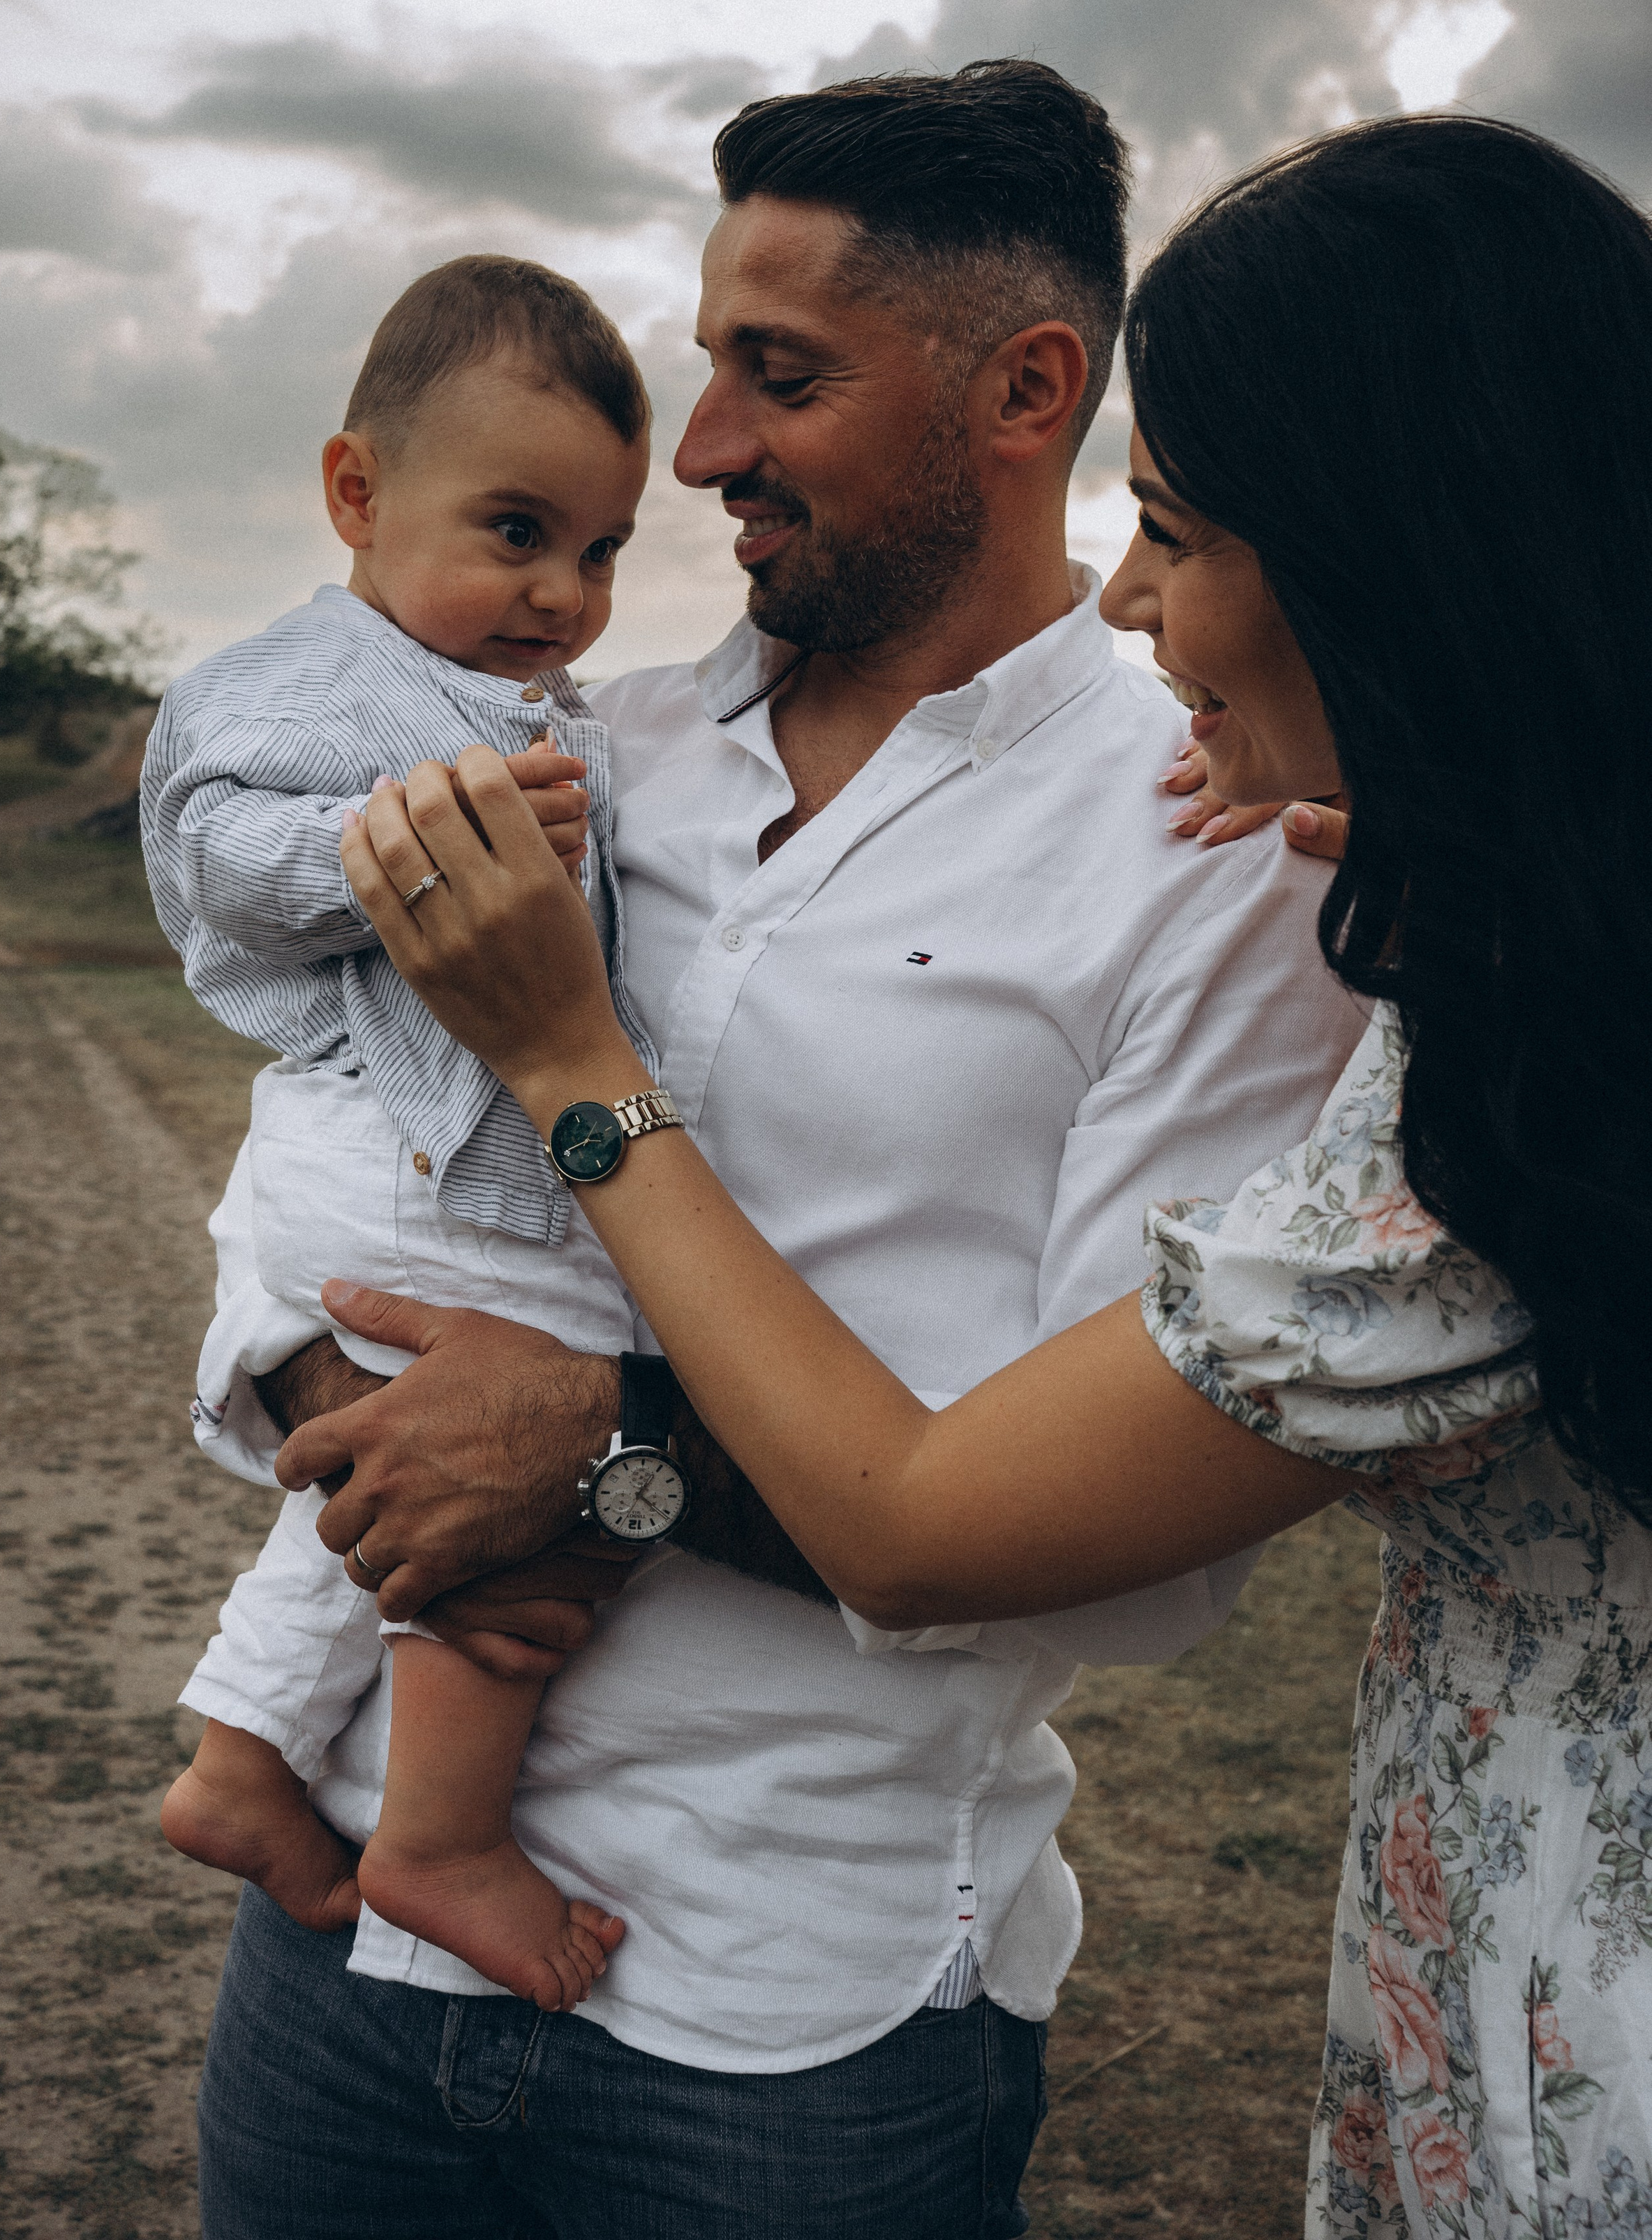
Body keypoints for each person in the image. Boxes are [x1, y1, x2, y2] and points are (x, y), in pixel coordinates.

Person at [325, 110, 1652, 2239]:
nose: (1141, 598)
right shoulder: (1496, 979)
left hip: (849, 2017)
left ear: (1410, 564)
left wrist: (574, 1104)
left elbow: (998, 1532)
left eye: (1185, 524)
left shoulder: (1443, 1079)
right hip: (353, 1929)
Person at [142, 255, 651, 2010]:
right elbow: (221, 860)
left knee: (380, 1485)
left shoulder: (509, 699)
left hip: (405, 1151)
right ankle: (438, 1837)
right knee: (520, 1464)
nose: (561, 593)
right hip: (401, 1152)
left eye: (598, 553)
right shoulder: (304, 684)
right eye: (515, 529)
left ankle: (240, 1757)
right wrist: (410, 832)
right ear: (357, 492)